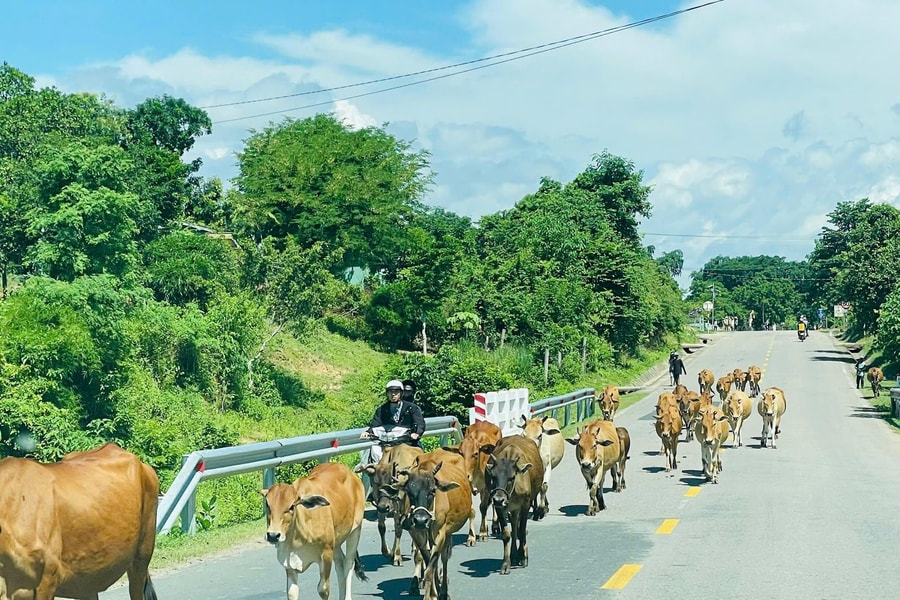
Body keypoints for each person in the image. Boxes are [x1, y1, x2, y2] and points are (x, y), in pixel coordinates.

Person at [360, 379, 425, 445]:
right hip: (386, 442)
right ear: (387, 393)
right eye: (390, 392)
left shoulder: (412, 408)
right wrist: (368, 432)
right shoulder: (381, 409)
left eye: (396, 392)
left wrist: (416, 433)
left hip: (408, 442)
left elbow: (420, 423)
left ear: (401, 393)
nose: (393, 394)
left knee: (418, 453)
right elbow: (375, 425)